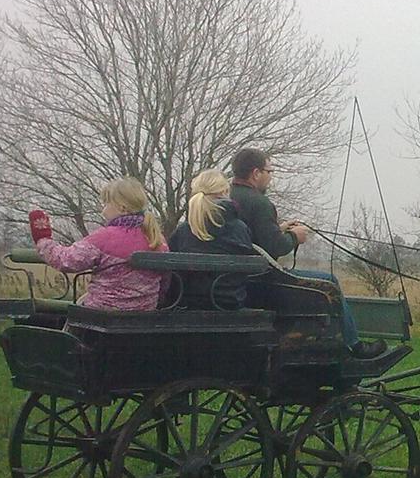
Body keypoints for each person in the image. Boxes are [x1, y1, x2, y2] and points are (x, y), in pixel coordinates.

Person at [230, 147, 386, 359]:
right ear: (256, 173)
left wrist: (281, 228)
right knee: (329, 283)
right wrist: (295, 237)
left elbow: (252, 237)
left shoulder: (230, 197)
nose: (270, 177)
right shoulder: (260, 202)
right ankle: (353, 345)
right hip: (264, 281)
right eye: (269, 172)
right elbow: (274, 247)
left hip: (241, 279)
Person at [29, 177, 168, 311]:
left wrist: (43, 239)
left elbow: (67, 260)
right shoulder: (157, 240)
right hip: (144, 315)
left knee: (79, 306)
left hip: (103, 315)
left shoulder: (105, 237)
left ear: (122, 208)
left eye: (106, 204)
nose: (103, 210)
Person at [168, 169, 256, 309]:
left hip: (186, 304)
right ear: (224, 193)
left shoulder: (183, 231)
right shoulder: (240, 229)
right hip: (228, 304)